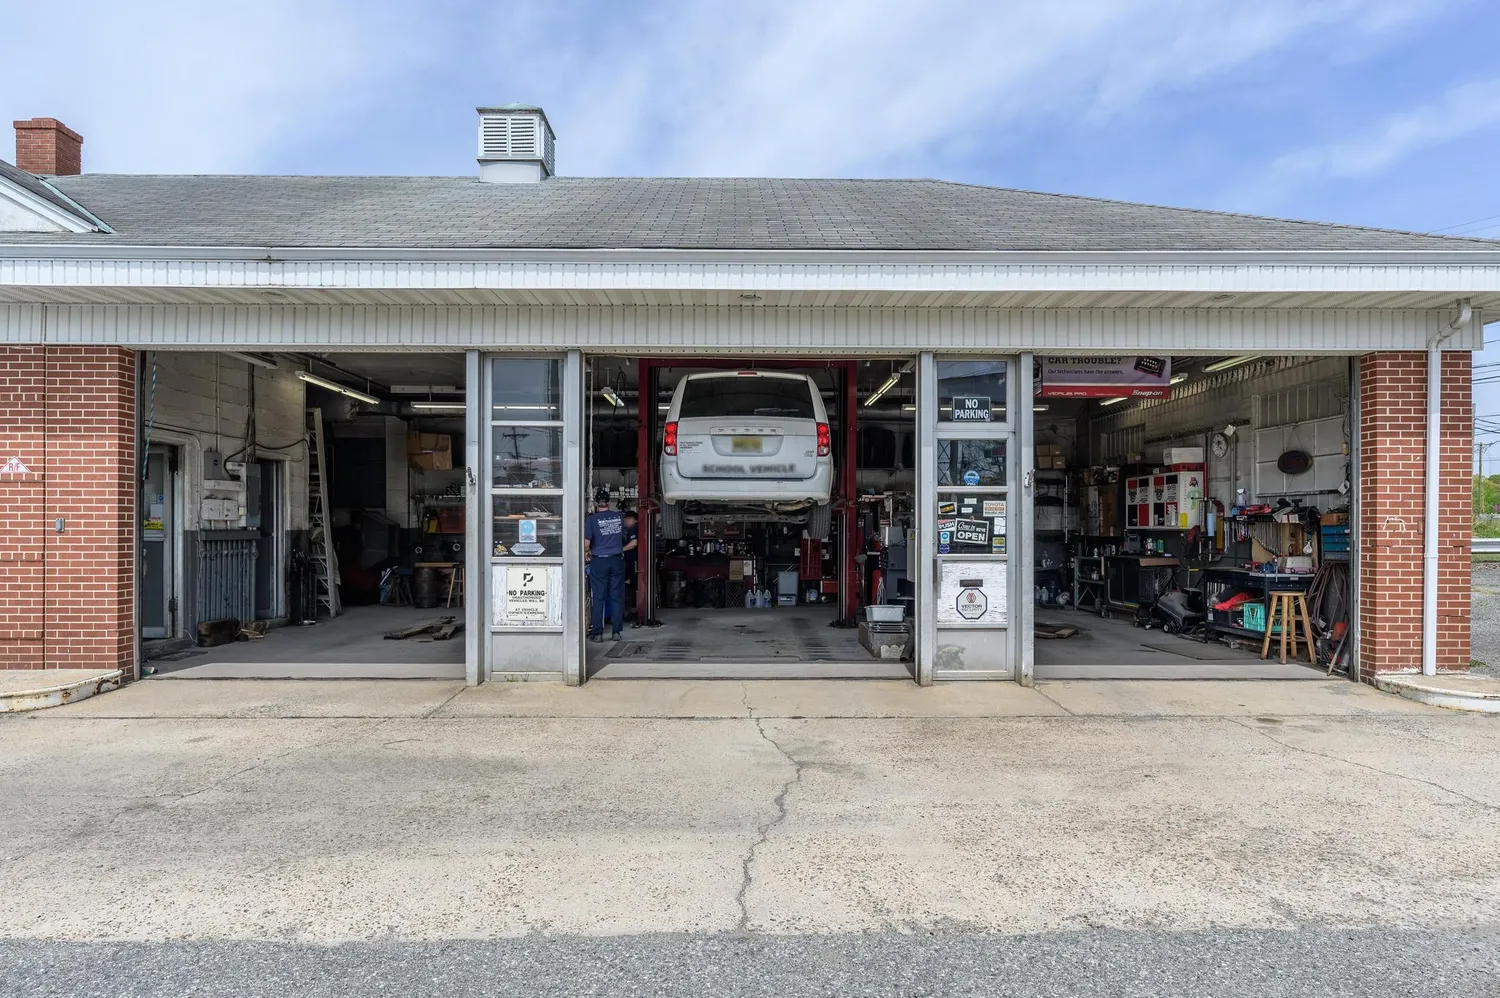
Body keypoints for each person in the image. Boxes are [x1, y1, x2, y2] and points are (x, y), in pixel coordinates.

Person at [584, 488, 627, 641]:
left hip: (599, 560)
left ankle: (598, 634)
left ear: (596, 503)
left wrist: (588, 552)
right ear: (609, 502)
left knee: (599, 597)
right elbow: (623, 538)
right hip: (617, 560)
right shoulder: (619, 517)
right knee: (616, 596)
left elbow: (586, 544)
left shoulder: (592, 519)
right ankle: (616, 632)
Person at [621, 509, 639, 622]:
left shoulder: (634, 528)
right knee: (631, 584)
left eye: (627, 519)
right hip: (631, 561)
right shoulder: (632, 528)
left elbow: (634, 543)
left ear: (633, 519)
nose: (625, 522)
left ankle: (636, 610)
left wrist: (620, 550)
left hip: (635, 561)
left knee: (635, 584)